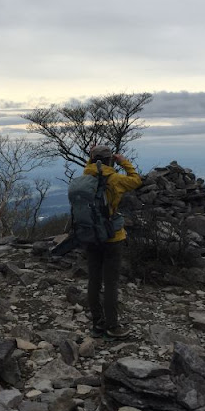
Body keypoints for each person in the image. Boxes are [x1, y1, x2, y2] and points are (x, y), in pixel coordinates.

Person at [84, 145, 142, 338]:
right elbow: (136, 181)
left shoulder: (85, 176)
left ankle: (97, 324)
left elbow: (91, 166)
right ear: (110, 161)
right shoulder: (115, 179)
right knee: (110, 283)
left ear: (92, 160)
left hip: (91, 236)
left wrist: (91, 157)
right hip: (112, 237)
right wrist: (123, 161)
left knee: (94, 280)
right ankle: (113, 326)